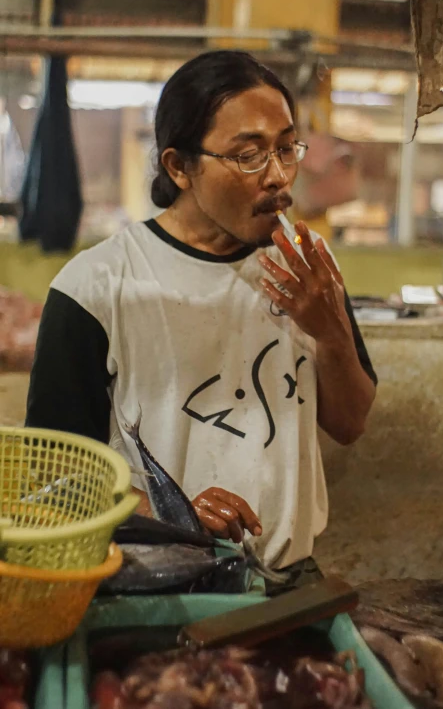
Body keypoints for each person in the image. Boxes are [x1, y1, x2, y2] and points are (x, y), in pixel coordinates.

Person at [26, 50, 377, 588]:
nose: (280, 177)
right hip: (155, 584)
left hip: (290, 582)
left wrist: (330, 333)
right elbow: (56, 474)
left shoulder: (307, 268)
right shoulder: (96, 287)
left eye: (287, 148)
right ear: (179, 167)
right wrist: (170, 511)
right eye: (249, 156)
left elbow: (350, 424)